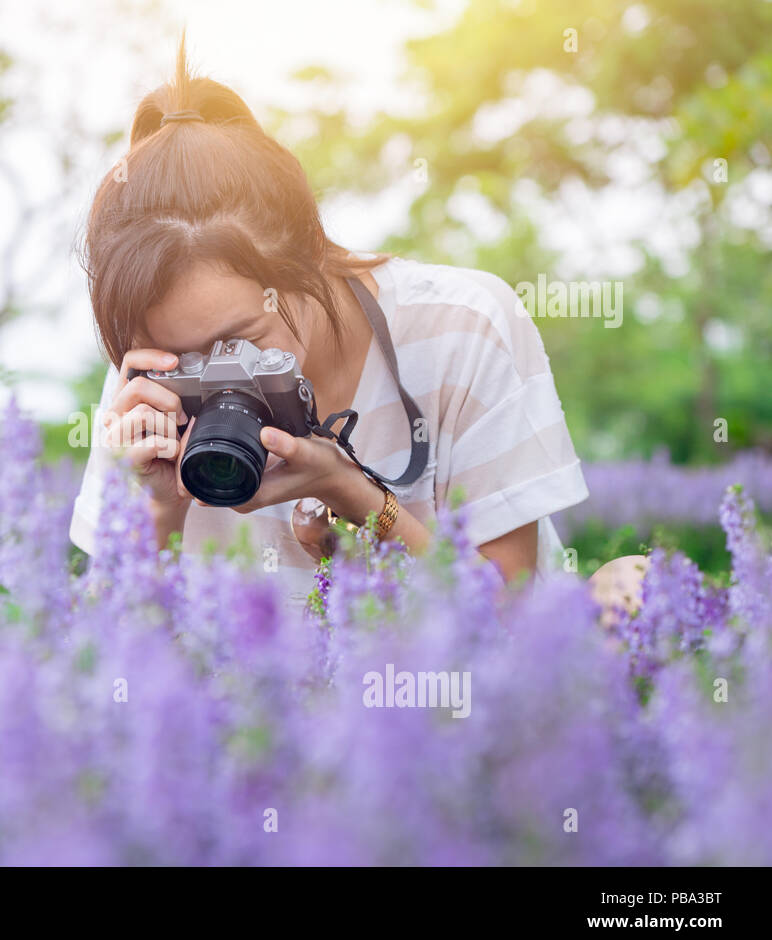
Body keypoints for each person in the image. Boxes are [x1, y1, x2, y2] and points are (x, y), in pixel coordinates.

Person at [69, 36, 593, 604]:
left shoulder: (460, 329)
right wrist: (156, 509)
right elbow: (112, 660)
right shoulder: (148, 384)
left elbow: (511, 618)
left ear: (311, 254)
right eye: (183, 361)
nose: (216, 372)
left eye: (238, 342)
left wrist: (352, 493)